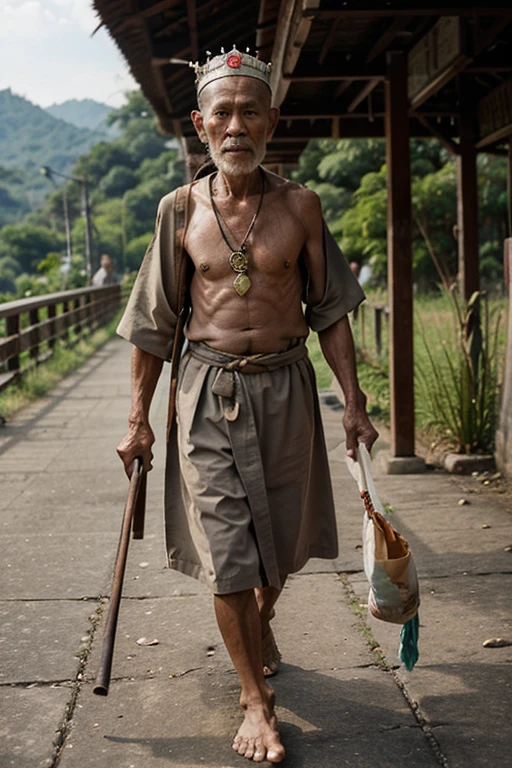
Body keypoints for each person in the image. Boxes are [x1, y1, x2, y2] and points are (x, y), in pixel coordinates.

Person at [116, 46, 378, 765]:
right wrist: (138, 419)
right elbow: (149, 325)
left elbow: (330, 311)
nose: (236, 126)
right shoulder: (178, 210)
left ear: (272, 120)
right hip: (206, 393)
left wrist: (353, 403)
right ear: (200, 124)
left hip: (287, 389)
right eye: (222, 113)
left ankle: (259, 624)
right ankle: (255, 702)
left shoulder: (301, 206)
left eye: (249, 112)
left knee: (280, 544)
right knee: (230, 555)